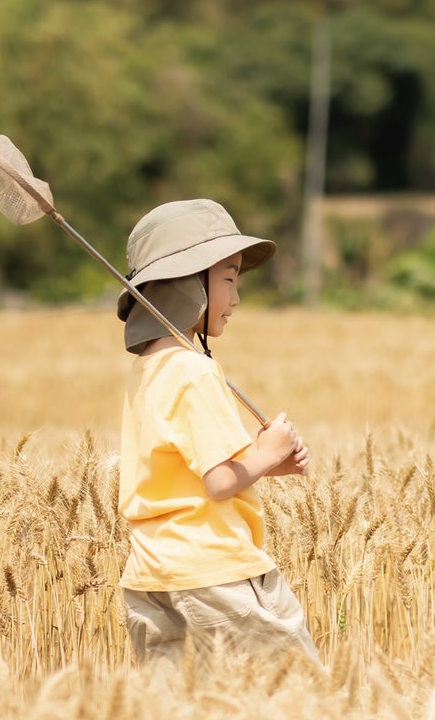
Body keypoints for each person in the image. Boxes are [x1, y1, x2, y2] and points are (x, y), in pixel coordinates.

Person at [115, 199, 321, 668]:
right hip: (217, 572)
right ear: (187, 285)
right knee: (297, 699)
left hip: (153, 576)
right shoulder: (194, 369)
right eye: (228, 278)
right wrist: (268, 452)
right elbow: (220, 482)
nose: (236, 297)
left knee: (183, 719)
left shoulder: (149, 369)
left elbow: (185, 473)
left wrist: (266, 464)